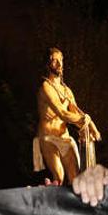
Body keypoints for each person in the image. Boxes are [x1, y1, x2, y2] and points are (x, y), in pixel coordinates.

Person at [34, 47, 101, 185]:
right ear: (48, 64)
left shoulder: (67, 91)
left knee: (75, 178)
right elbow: (63, 113)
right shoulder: (45, 87)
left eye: (61, 60)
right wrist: (85, 121)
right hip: (48, 137)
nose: (59, 64)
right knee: (59, 175)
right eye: (54, 60)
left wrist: (92, 127)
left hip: (63, 137)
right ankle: (51, 195)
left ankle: (74, 205)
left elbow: (76, 114)